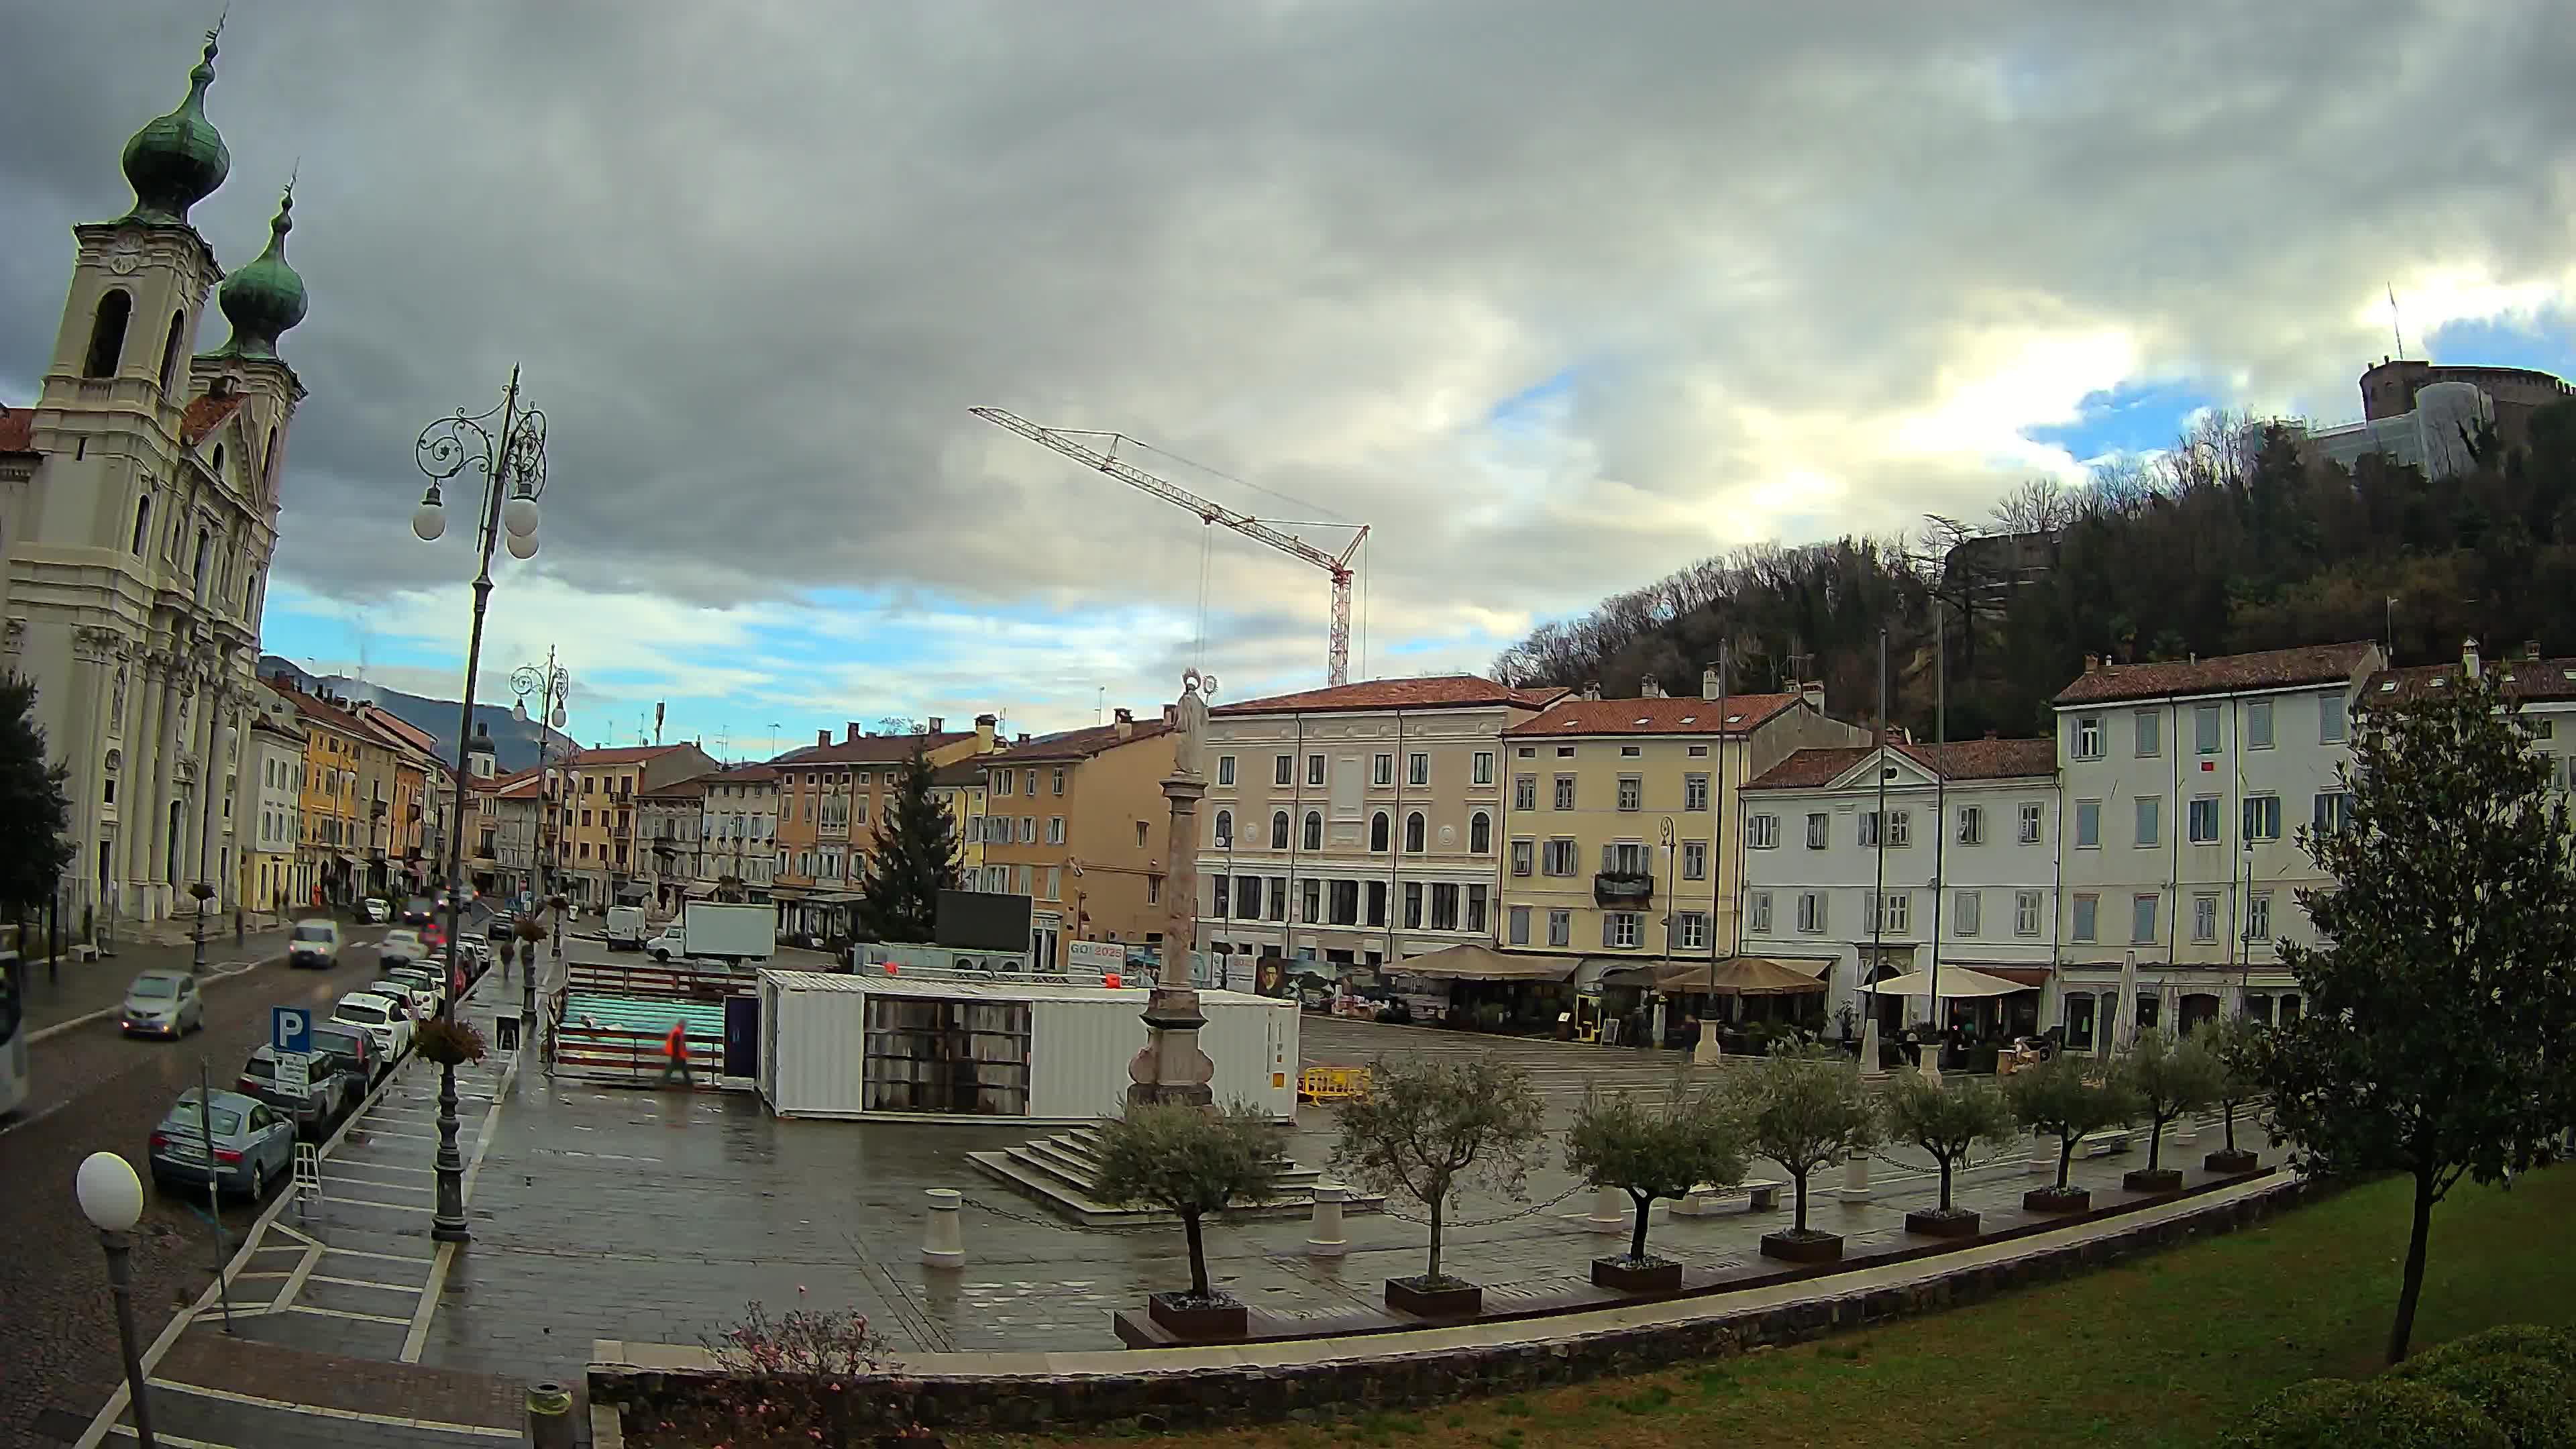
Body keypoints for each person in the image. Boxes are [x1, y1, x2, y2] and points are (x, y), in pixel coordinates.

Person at [661, 1019, 692, 1087]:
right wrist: (677, 1055)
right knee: (682, 1068)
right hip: (678, 1054)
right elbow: (675, 1045)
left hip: (677, 1054)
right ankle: (689, 1082)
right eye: (684, 1024)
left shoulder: (678, 1031)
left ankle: (664, 1080)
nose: (685, 1026)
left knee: (674, 1067)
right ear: (680, 1024)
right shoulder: (677, 1032)